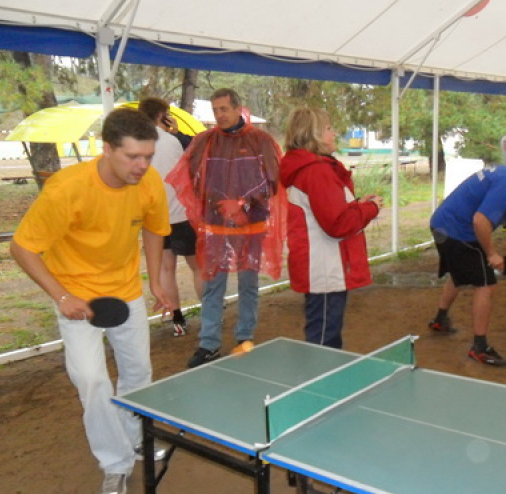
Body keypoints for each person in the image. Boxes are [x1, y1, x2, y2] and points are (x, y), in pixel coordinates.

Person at [9, 108, 172, 494]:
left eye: (148, 156)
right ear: (107, 149)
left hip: (125, 292)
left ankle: (136, 438)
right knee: (92, 380)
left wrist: (155, 280)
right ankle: (115, 463)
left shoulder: (149, 182)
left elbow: (154, 229)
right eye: (132, 156)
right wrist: (62, 296)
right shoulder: (66, 190)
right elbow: (22, 247)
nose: (142, 165)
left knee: (138, 372)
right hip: (76, 298)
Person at [167, 88, 286, 368]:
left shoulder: (261, 141)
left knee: (248, 284)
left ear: (237, 108)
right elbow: (192, 178)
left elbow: (273, 180)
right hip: (216, 227)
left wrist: (243, 203)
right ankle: (208, 343)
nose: (219, 115)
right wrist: (218, 203)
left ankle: (245, 336)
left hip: (251, 226)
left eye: (224, 109)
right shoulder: (205, 142)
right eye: (215, 110)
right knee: (212, 286)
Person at [427, 165, 506, 366]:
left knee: (459, 270)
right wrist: (491, 253)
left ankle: (440, 320)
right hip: (455, 230)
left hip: (444, 224)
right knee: (487, 284)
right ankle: (479, 347)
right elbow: (480, 221)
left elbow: (484, 207)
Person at [279, 107, 381, 348]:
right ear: (312, 134)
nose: (334, 133)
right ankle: (320, 374)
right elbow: (338, 224)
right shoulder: (317, 171)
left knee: (326, 335)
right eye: (328, 128)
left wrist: (357, 206)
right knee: (324, 341)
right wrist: (370, 209)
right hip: (324, 268)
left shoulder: (311, 169)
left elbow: (329, 211)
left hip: (321, 266)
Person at [137, 97, 203, 336]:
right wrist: (175, 132)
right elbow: (194, 156)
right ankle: (210, 313)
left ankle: (177, 320)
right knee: (198, 267)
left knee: (166, 269)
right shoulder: (172, 141)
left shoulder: (137, 143)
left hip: (155, 218)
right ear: (162, 115)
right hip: (181, 214)